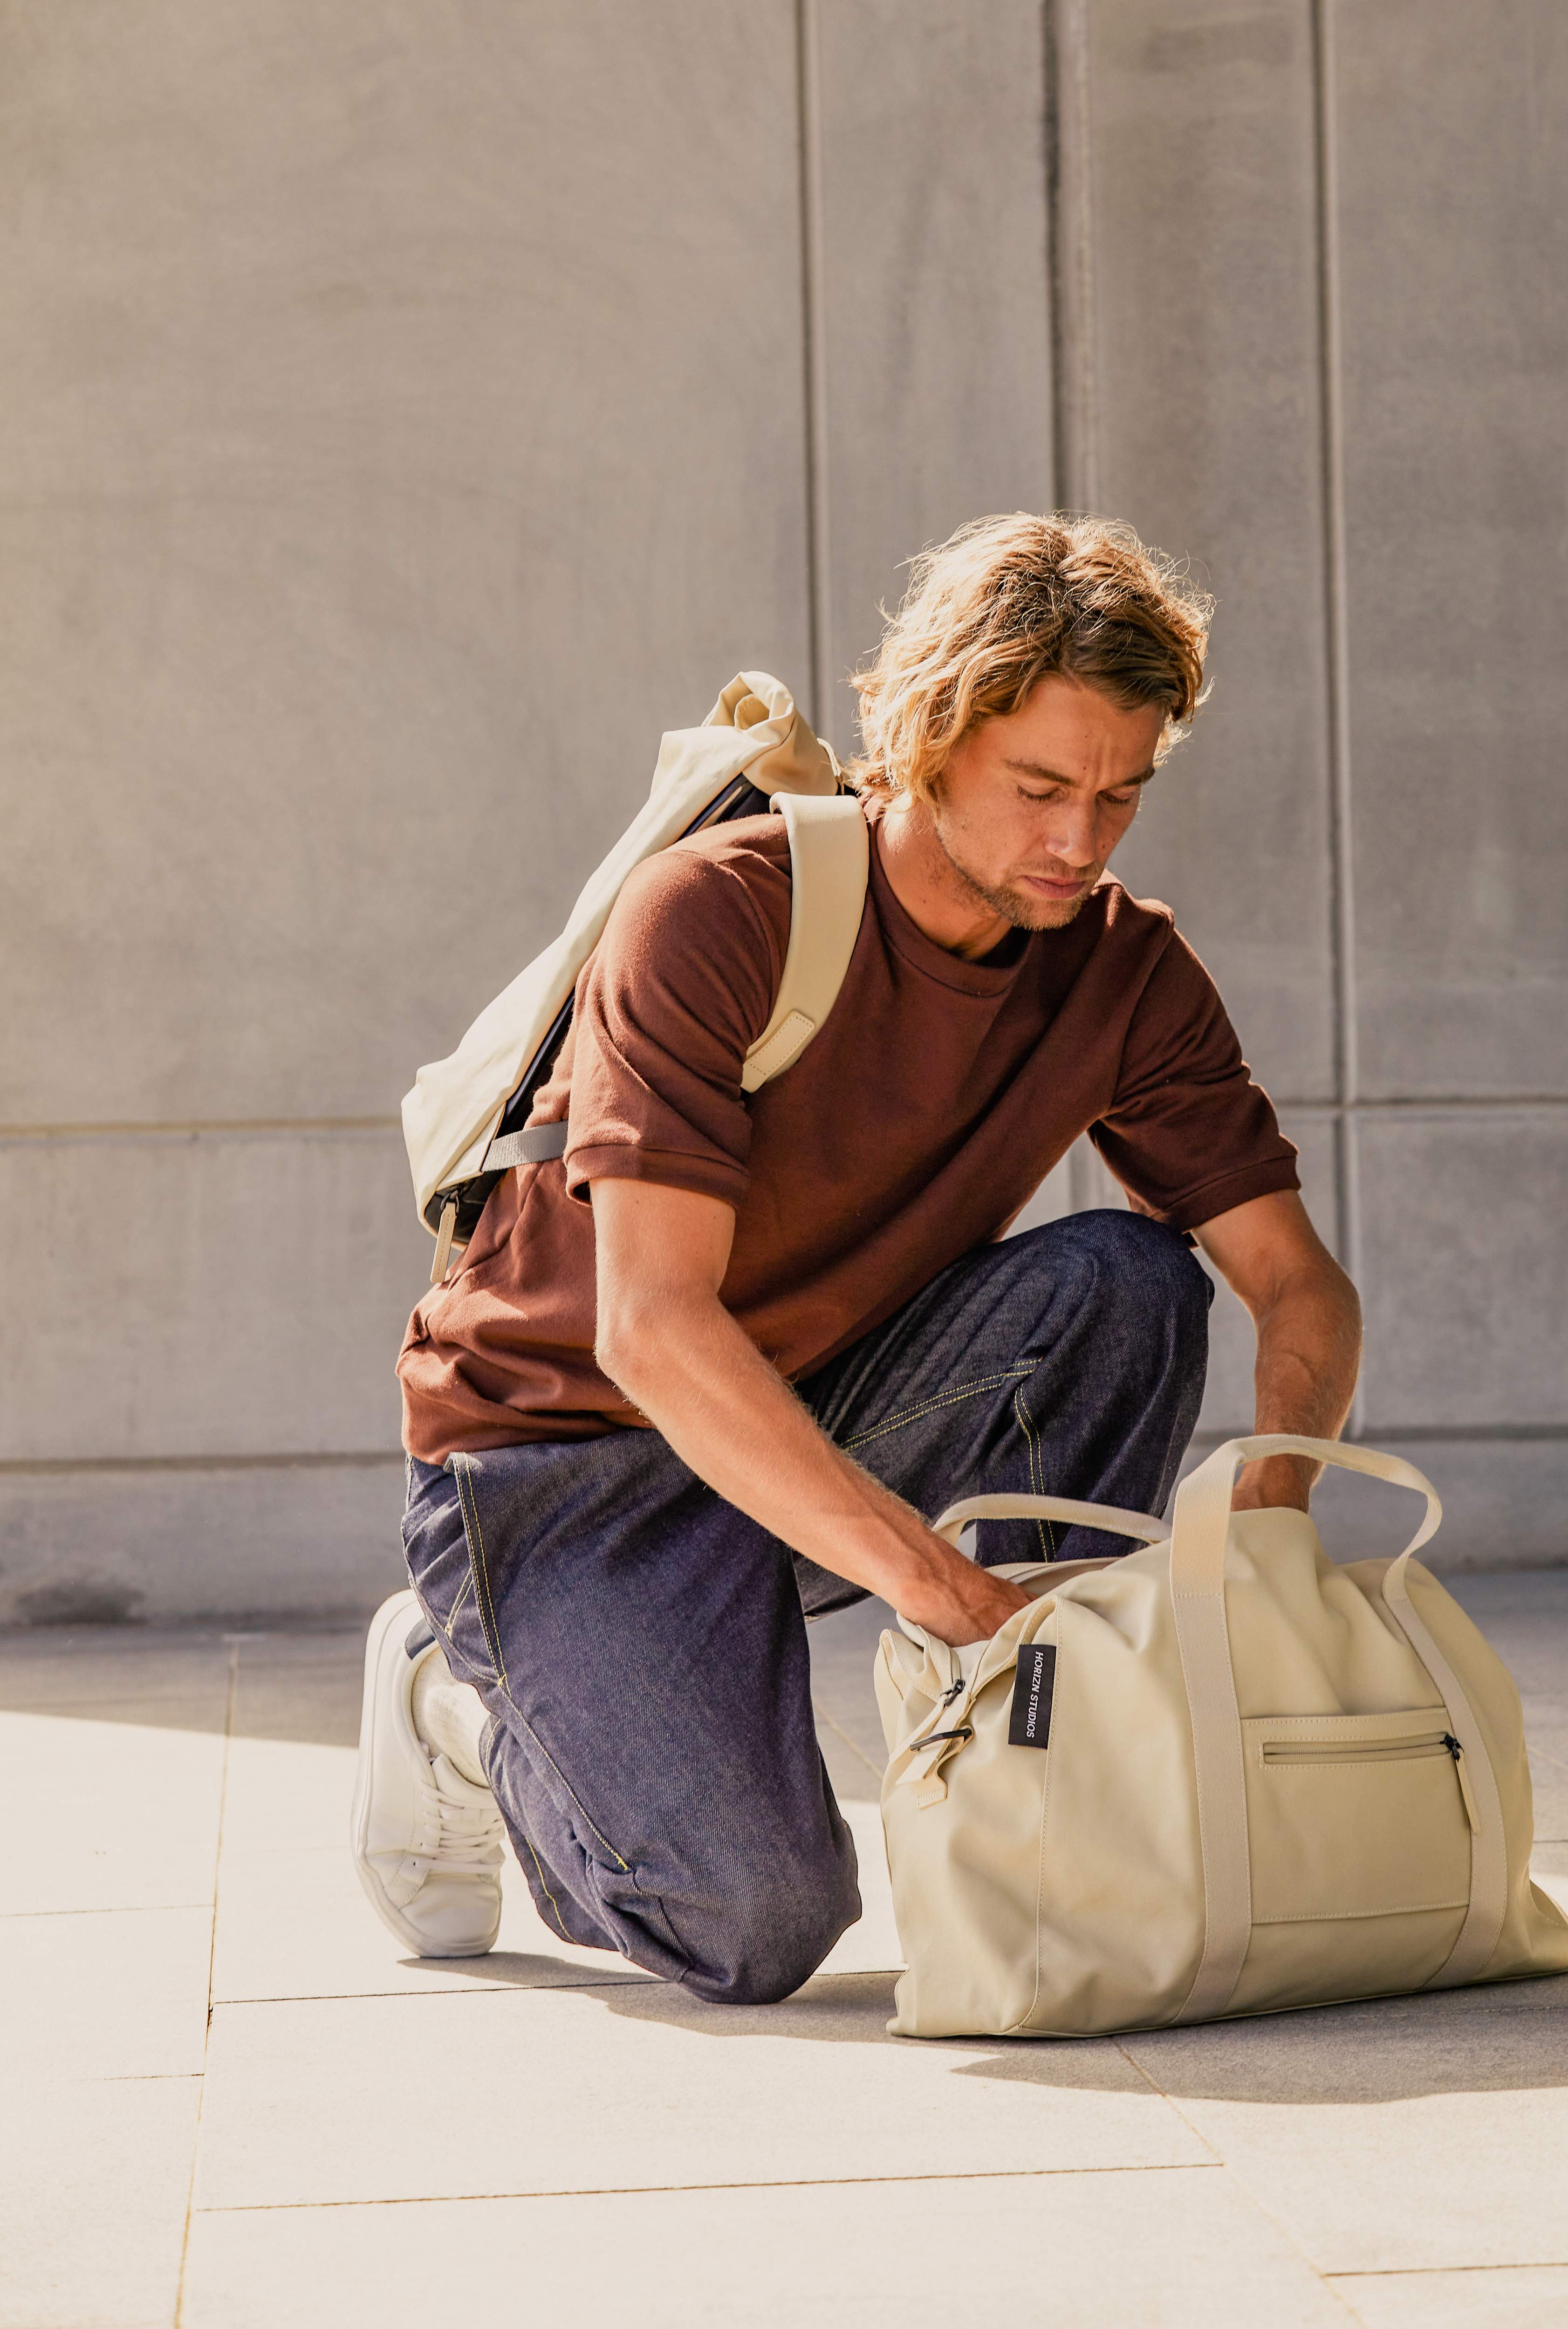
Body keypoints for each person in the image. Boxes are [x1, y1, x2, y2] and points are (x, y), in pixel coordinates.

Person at [351, 513, 1362, 2001]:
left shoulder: (1123, 970)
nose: (1080, 841)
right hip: (558, 1465)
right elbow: (651, 1329)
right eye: (1039, 789)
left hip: (820, 1410)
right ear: (931, 739)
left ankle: (1036, 1770)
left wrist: (1271, 1516)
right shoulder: (717, 914)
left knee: (1127, 1281)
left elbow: (1295, 1280)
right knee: (750, 1924)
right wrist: (945, 1590)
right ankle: (452, 1700)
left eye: (1119, 795)